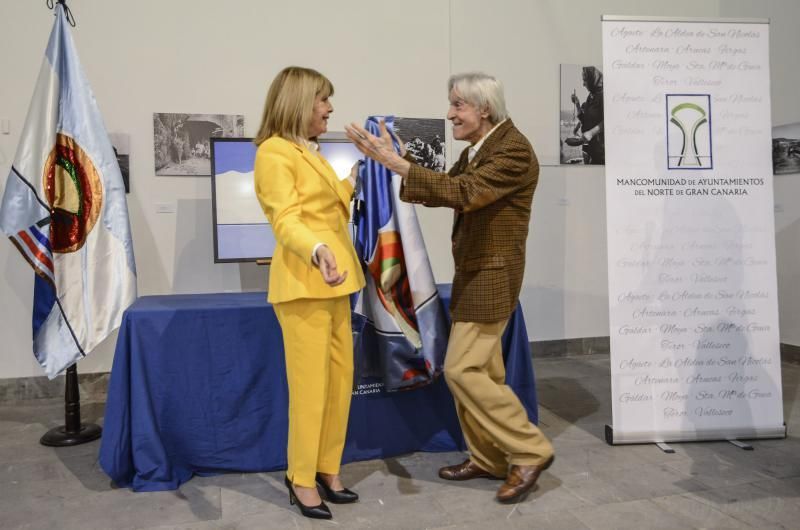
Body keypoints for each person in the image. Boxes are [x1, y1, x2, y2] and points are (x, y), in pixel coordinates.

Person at [345, 72, 554, 504]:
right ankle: (489, 457)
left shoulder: (512, 149)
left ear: (485, 109)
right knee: (486, 371)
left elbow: (465, 191)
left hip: (492, 276)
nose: (450, 114)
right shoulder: (482, 147)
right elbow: (443, 189)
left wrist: (398, 165)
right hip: (474, 273)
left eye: (458, 105)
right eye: (452, 103)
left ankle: (530, 449)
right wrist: (399, 163)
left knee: (462, 370)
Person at [253, 66, 365, 520]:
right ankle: (301, 478)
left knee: (339, 383)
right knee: (310, 389)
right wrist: (317, 248)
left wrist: (357, 176)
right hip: (303, 283)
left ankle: (327, 468)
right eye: (323, 100)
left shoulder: (308, 151)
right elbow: (286, 219)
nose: (330, 109)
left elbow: (327, 204)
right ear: (299, 101)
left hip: (338, 281)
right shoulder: (273, 153)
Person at [568, 66, 604, 164]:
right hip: (592, 150)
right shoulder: (590, 96)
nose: (583, 84)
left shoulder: (604, 96)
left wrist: (591, 133)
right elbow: (585, 120)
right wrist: (577, 104)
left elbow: (610, 120)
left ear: (593, 80)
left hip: (602, 151)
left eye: (585, 80)